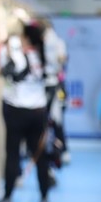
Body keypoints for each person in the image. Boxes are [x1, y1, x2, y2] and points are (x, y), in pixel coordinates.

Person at [0, 21, 51, 202]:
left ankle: (7, 198)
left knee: (13, 153)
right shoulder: (44, 56)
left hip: (17, 111)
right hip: (38, 111)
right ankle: (44, 199)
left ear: (26, 38)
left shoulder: (19, 57)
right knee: (39, 155)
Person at [41, 19, 69, 166]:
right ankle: (47, 151)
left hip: (57, 87)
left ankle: (63, 150)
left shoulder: (58, 43)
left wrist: (57, 59)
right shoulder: (39, 45)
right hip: (45, 86)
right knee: (45, 122)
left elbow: (62, 60)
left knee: (58, 121)